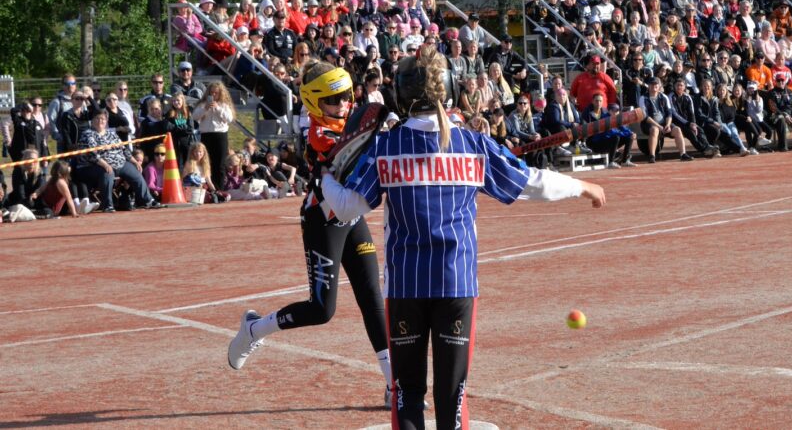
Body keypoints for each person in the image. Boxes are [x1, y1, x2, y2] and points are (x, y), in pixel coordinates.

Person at [288, 45, 607, 430]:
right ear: (451, 88)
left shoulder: (387, 145)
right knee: (451, 397)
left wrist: (322, 175)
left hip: (405, 285)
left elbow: (347, 207)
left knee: (407, 395)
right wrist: (581, 186)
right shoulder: (472, 143)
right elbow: (530, 183)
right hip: (456, 282)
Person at [228, 61, 396, 410]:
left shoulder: (350, 122)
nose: (343, 104)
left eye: (346, 96)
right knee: (322, 310)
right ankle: (255, 329)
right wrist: (384, 131)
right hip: (322, 220)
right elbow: (354, 157)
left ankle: (394, 385)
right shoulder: (319, 134)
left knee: (372, 298)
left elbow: (366, 134)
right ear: (314, 102)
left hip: (352, 219)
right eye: (333, 100)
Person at [74, 109, 157, 212]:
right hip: (95, 166)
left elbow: (124, 149)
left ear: (107, 121)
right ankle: (107, 205)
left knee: (135, 171)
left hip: (119, 163)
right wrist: (105, 164)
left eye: (103, 119)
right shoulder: (88, 134)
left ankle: (147, 200)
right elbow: (92, 155)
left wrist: (134, 162)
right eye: (98, 118)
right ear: (92, 120)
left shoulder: (112, 134)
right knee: (107, 173)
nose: (100, 121)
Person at [192, 82, 235, 192]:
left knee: (220, 164)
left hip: (220, 135)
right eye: (212, 93)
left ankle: (219, 189)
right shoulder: (202, 104)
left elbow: (229, 119)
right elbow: (194, 116)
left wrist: (218, 109)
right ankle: (209, 189)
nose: (214, 95)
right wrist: (205, 108)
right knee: (207, 163)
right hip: (206, 135)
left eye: (216, 93)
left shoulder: (224, 105)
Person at [638, 77, 693, 163]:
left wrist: (667, 124)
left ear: (659, 86)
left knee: (677, 129)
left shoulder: (664, 97)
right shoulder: (643, 98)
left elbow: (669, 113)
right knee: (654, 130)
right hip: (649, 124)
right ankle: (652, 156)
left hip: (664, 123)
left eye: (656, 84)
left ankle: (683, 154)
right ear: (648, 86)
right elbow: (645, 116)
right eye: (652, 84)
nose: (654, 86)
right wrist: (658, 126)